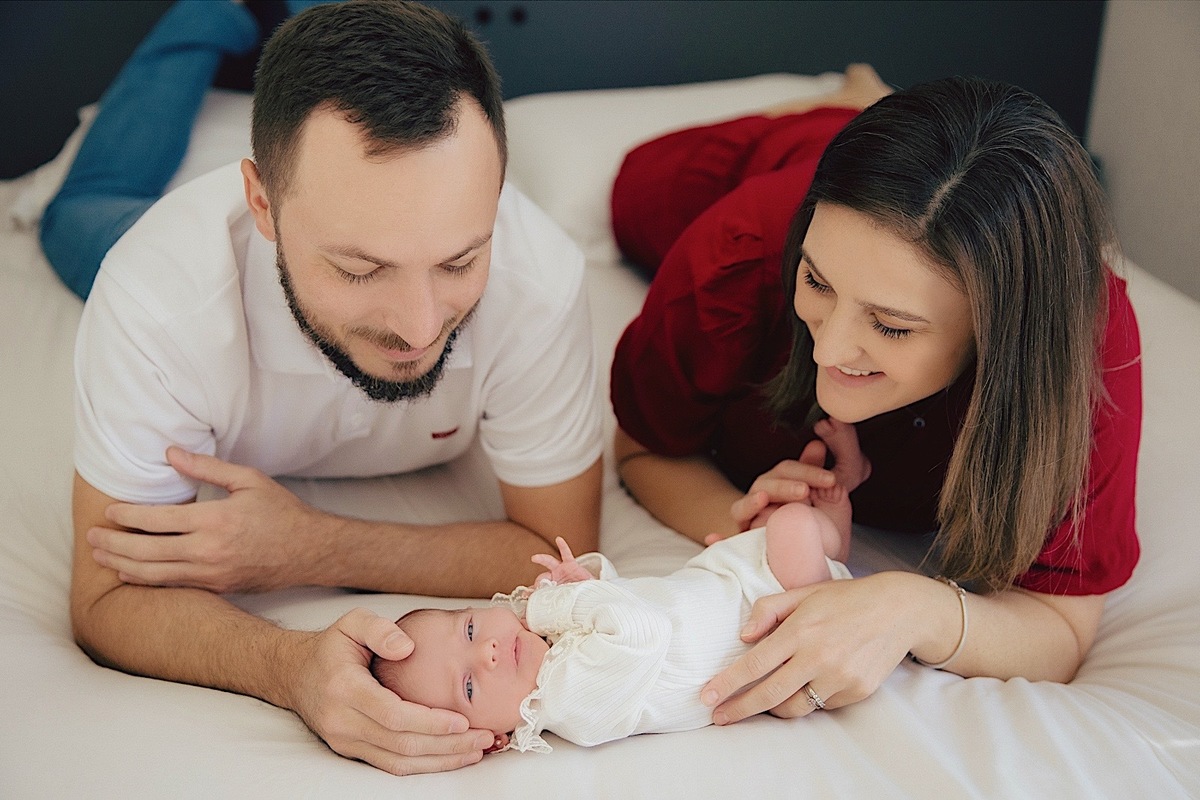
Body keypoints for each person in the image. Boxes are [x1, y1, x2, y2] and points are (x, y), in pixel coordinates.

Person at [60, 0, 604, 776]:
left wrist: (311, 546)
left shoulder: (537, 277)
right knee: (81, 209)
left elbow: (565, 553)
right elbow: (106, 599)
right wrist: (289, 666)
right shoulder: (156, 299)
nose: (419, 328)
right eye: (359, 269)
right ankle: (215, 15)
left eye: (457, 262)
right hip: (131, 233)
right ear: (262, 204)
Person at [609, 70, 1142, 724]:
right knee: (632, 188)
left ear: (998, 331)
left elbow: (1060, 626)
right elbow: (641, 446)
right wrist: (768, 537)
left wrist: (909, 608)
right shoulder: (741, 250)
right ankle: (846, 106)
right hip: (777, 167)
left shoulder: (1081, 343)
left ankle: (865, 106)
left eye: (890, 326)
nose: (828, 351)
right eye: (816, 283)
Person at [371, 489, 858, 755]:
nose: (488, 653)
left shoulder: (550, 652)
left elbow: (629, 597)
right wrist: (546, 607)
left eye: (472, 631)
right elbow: (642, 632)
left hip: (736, 585)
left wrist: (583, 580)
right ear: (495, 738)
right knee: (794, 523)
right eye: (470, 686)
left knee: (785, 523)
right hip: (772, 624)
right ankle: (835, 586)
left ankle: (835, 535)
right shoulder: (567, 698)